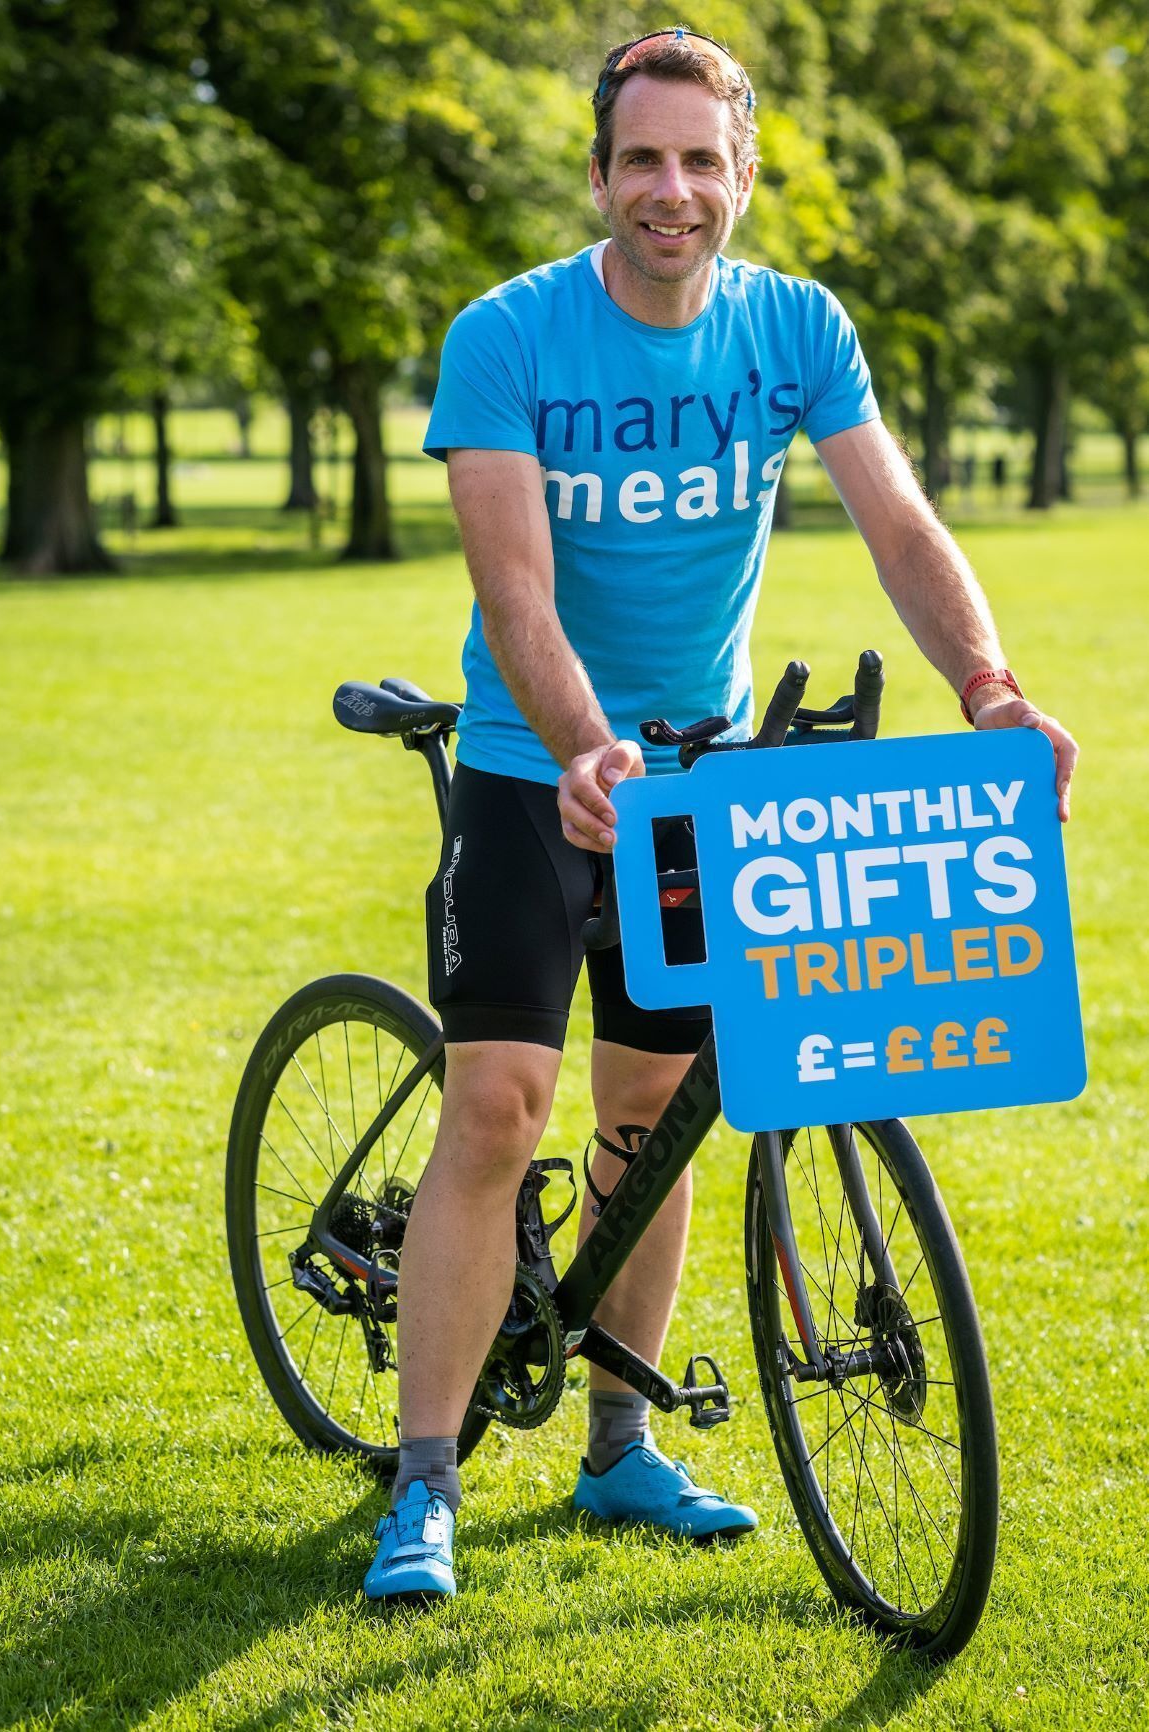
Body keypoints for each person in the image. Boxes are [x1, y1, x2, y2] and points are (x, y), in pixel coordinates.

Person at [364, 28, 1078, 1603]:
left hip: (702, 776)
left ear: (741, 174)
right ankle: (422, 1480)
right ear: (601, 176)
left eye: (701, 160)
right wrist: (579, 743)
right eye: (642, 160)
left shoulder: (795, 328)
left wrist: (988, 685)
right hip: (523, 764)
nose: (670, 190)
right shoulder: (509, 337)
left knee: (655, 1107)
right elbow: (515, 583)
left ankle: (619, 1446)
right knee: (495, 1105)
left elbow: (895, 516)